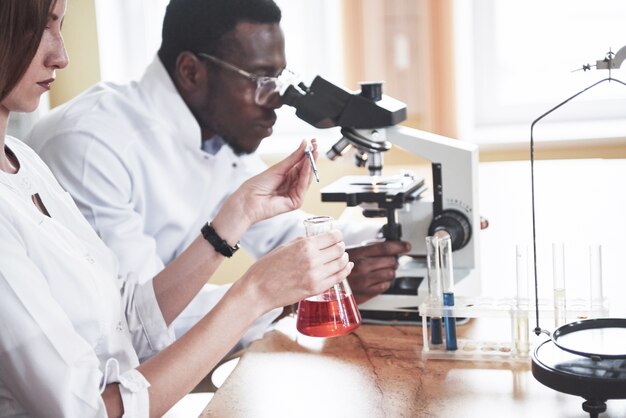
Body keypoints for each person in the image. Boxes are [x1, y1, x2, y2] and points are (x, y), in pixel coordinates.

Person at [0, 0, 352, 416]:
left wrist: (236, 215)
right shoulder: (90, 143)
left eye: (60, 28)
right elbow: (89, 411)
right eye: (38, 29)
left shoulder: (23, 162)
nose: (61, 55)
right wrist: (255, 294)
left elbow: (127, 318)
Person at [25, 0, 411, 335]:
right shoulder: (93, 146)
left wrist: (401, 232)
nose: (276, 100)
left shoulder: (215, 131)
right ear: (192, 71)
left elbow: (282, 232)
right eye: (262, 79)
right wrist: (286, 294)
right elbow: (138, 324)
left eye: (279, 79)